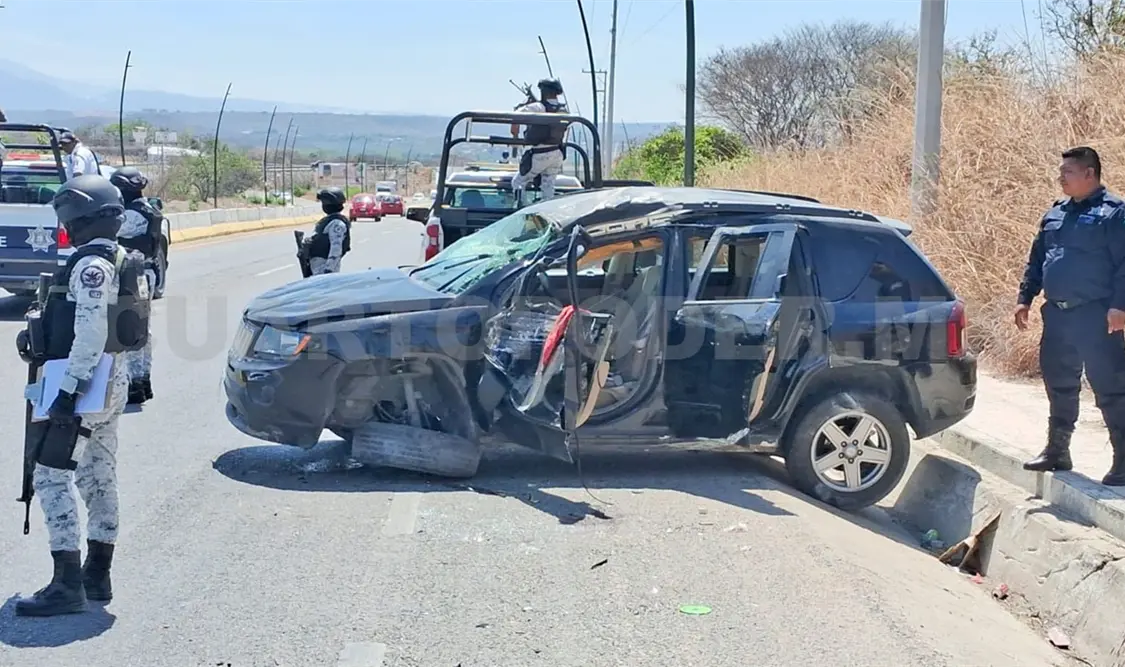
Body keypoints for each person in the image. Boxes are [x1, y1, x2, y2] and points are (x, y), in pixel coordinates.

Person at [16, 174, 149, 616]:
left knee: (51, 475)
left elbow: (90, 332)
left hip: (85, 384)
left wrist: (68, 390)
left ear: (78, 216)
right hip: (112, 380)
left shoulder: (91, 266)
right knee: (98, 474)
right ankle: (98, 574)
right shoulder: (124, 258)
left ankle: (66, 583)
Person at [1016, 146, 1125, 486]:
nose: (1060, 177)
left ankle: (1122, 461)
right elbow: (1038, 258)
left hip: (1096, 315)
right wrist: (1025, 297)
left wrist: (1119, 307)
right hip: (1058, 315)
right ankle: (1057, 452)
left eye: (1068, 172)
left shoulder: (1114, 213)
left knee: (1110, 388)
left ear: (1089, 174)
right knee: (1059, 384)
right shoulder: (1056, 213)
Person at [109, 166, 161, 404]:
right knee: (142, 329)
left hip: (132, 275)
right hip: (146, 272)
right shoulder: (150, 208)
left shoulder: (130, 215)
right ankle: (143, 379)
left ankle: (133, 383)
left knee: (128, 328)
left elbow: (110, 233)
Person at [509, 78, 569, 202]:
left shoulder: (538, 107)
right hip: (557, 154)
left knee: (518, 182)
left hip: (540, 153)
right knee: (548, 187)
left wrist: (515, 135)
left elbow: (516, 116)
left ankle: (523, 210)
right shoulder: (563, 110)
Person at [305, 187, 351, 275]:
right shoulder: (328, 221)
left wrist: (328, 270)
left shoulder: (336, 223)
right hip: (317, 269)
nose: (323, 205)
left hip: (324, 271)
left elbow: (336, 249)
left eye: (325, 202)